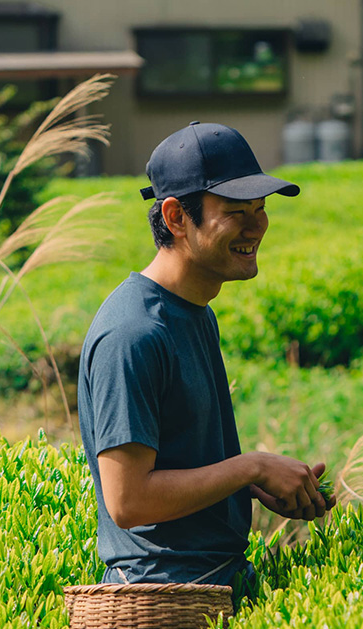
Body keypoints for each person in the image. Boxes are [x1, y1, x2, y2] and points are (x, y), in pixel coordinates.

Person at [77, 122, 333, 600]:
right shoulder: (133, 332)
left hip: (213, 579)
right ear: (175, 217)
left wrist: (254, 488)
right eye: (235, 212)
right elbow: (128, 500)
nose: (257, 227)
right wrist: (250, 468)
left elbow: (180, 460)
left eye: (260, 209)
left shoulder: (195, 313)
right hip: (162, 598)